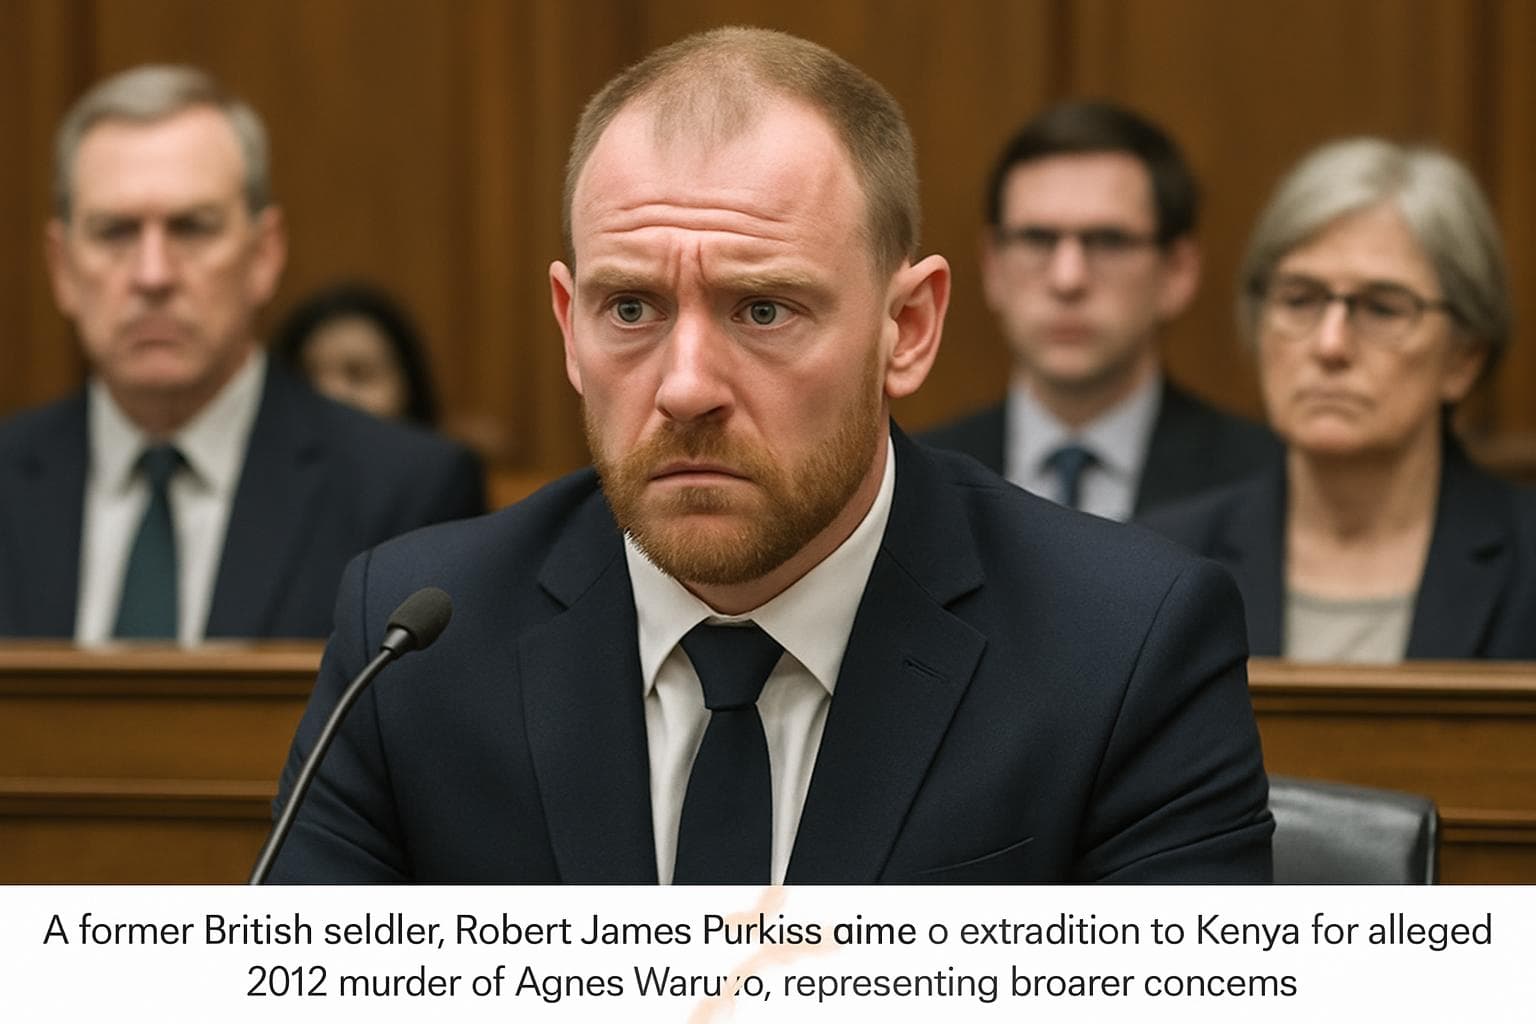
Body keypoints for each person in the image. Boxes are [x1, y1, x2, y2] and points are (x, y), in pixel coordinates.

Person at [268, 28, 1270, 883]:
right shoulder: (413, 644)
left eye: (763, 309)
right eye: (631, 308)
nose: (686, 385)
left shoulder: (1122, 645)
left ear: (907, 328)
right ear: (570, 327)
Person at [0, 65, 485, 643]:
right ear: (62, 267)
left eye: (192, 227)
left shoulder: (403, 493)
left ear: (263, 254)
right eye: (115, 232)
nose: (153, 275)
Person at [1145, 138, 1535, 660]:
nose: (1330, 345)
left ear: (1463, 359)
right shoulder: (1160, 561)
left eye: (1384, 309)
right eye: (1299, 299)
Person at [923, 101, 1278, 519]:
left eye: (1108, 241)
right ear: (993, 266)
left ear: (1177, 271)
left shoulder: (1266, 478)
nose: (1067, 279)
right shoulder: (917, 475)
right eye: (1037, 239)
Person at [272, 282, 440, 426]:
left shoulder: (443, 460)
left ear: (409, 389)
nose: (330, 394)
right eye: (307, 378)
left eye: (359, 374)